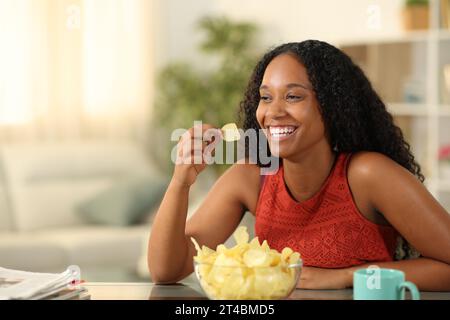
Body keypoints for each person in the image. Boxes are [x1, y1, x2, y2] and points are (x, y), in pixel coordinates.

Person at [148, 40, 450, 290]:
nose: (273, 112)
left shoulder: (368, 174)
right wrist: (180, 183)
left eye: (293, 96)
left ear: (331, 107)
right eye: (265, 98)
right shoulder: (250, 178)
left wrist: (344, 277)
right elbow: (166, 270)